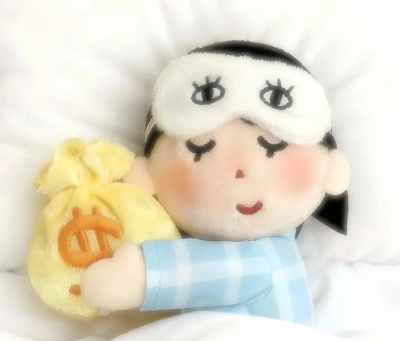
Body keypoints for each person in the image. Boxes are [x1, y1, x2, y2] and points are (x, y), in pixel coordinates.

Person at [81, 41, 350, 325]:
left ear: (331, 170)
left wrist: (142, 275)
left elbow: (205, 270)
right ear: (147, 176)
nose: (240, 169)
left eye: (273, 146)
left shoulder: (267, 260)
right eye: (200, 148)